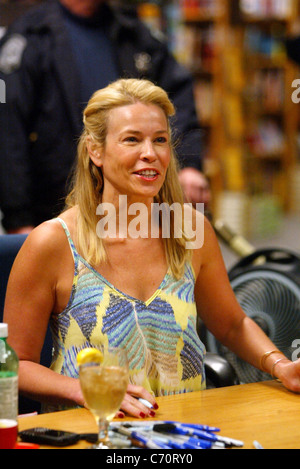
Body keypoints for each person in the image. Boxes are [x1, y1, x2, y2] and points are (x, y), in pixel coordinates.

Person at [4, 79, 300, 418]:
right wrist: (80, 389)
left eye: (160, 140)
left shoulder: (191, 230)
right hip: (92, 431)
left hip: (185, 431)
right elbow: (16, 362)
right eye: (132, 139)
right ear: (95, 150)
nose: (151, 153)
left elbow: (232, 324)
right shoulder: (53, 242)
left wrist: (280, 365)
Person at [0, 0, 210, 234]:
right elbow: (8, 132)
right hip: (53, 209)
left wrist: (188, 165)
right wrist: (18, 218)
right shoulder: (30, 36)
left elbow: (177, 96)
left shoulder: (132, 31)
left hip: (137, 214)